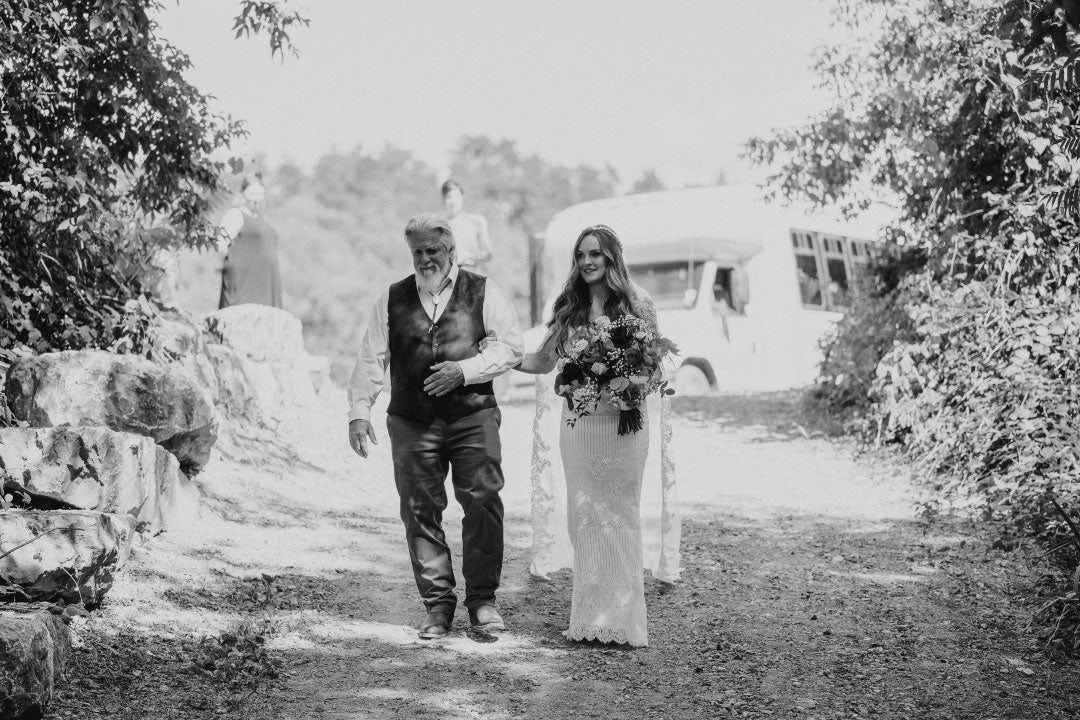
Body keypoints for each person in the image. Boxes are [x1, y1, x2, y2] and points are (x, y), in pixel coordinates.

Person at [347, 212, 523, 640]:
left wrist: (465, 370)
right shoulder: (392, 297)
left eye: (434, 250)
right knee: (419, 511)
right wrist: (358, 411)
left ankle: (482, 601)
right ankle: (438, 605)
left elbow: (512, 347)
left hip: (472, 415)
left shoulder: (483, 290)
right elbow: (372, 357)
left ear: (452, 252)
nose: (426, 259)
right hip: (411, 421)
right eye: (418, 252)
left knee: (483, 502)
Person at [515, 224, 681, 647]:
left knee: (621, 514)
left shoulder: (638, 304)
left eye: (596, 255)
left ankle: (624, 621)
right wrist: (501, 356)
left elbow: (657, 365)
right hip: (581, 428)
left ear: (613, 259)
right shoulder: (570, 307)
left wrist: (626, 383)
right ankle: (590, 617)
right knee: (584, 516)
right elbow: (543, 360)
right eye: (581, 255)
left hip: (624, 428)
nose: (587, 262)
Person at [217, 175, 282, 309]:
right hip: (243, 282)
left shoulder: (263, 218)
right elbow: (220, 243)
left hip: (266, 282)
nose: (256, 198)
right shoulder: (236, 214)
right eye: (252, 193)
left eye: (260, 193)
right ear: (243, 193)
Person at [441, 180, 493, 275]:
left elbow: (488, 253)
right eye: (449, 196)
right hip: (447, 277)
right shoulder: (440, 227)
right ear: (444, 200)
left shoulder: (477, 220)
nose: (453, 201)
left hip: (470, 273)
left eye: (457, 196)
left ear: (463, 197)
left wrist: (469, 256)